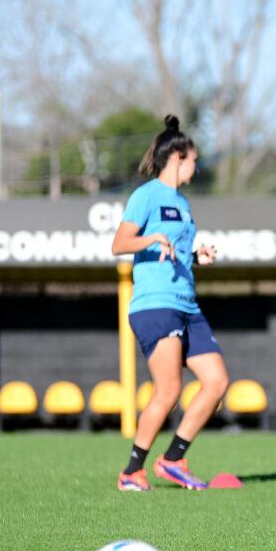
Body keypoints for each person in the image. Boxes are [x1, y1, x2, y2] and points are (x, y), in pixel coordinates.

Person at [111, 115, 229, 492]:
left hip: (187, 303)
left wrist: (196, 254)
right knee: (169, 390)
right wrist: (151, 239)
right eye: (193, 159)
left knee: (216, 381)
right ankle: (132, 471)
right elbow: (119, 244)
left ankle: (173, 459)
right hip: (155, 304)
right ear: (178, 157)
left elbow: (174, 250)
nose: (196, 167)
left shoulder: (182, 202)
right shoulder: (146, 196)